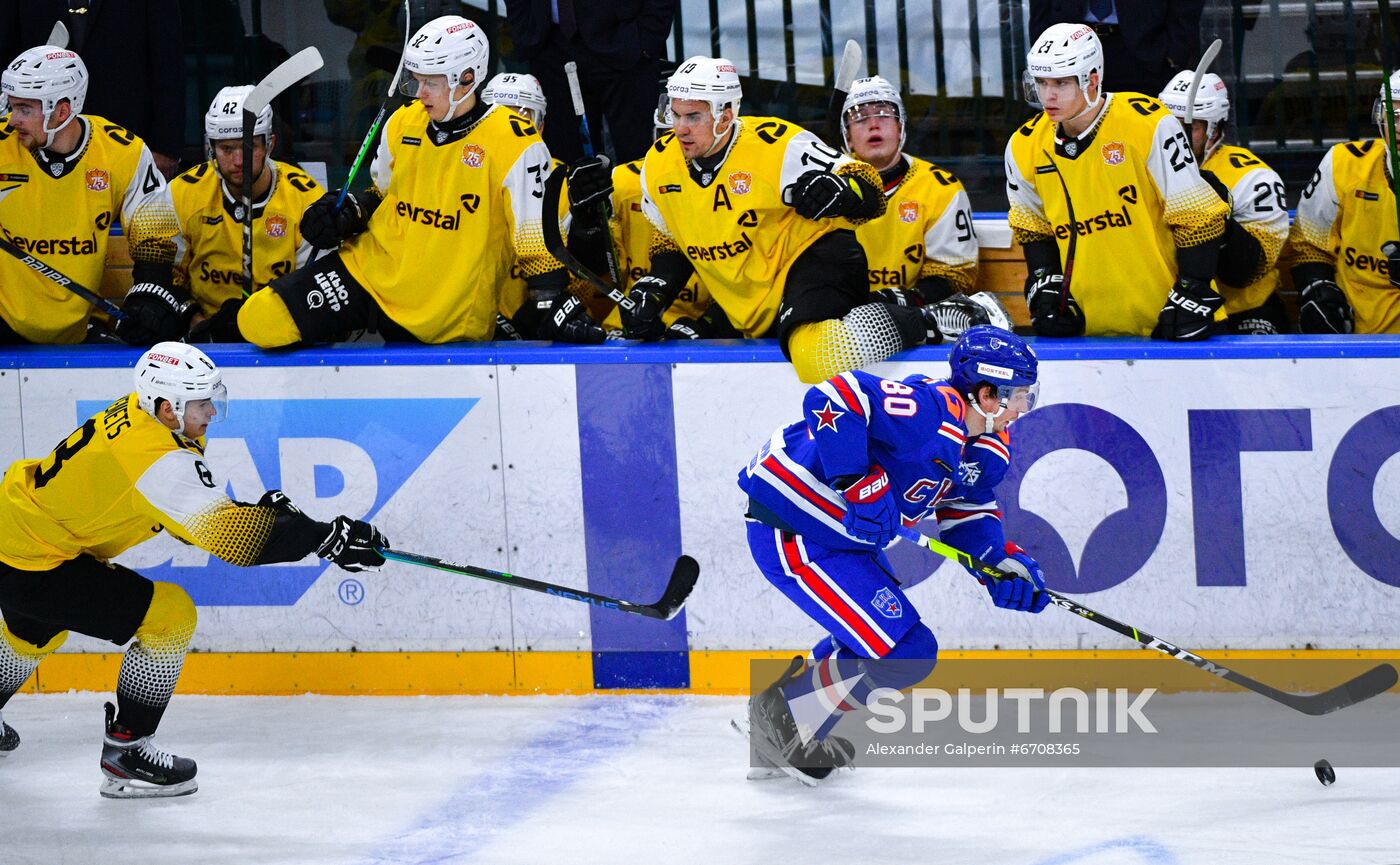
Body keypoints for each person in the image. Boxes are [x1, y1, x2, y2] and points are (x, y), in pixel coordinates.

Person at [0, 342, 388, 798]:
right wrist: (325, 537)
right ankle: (128, 750)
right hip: (34, 561)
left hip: (19, 535)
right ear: (168, 407)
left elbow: (184, 518)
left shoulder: (145, 416)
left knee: (37, 632)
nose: (211, 412)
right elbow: (233, 540)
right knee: (170, 615)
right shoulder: (158, 458)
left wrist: (275, 523)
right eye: (203, 403)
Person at [735, 325, 1050, 783]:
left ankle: (782, 722)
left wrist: (996, 560)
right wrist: (858, 481)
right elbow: (833, 396)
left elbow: (966, 511)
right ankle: (781, 717)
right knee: (907, 651)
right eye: (1019, 395)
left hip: (840, 543)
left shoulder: (985, 444)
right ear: (986, 393)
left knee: (884, 642)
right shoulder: (926, 412)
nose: (1025, 407)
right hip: (795, 531)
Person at [225, 15, 604, 347]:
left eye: (432, 83)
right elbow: (381, 192)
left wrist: (549, 299)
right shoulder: (405, 122)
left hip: (443, 304)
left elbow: (534, 240)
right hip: (372, 270)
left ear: (468, 79)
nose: (420, 93)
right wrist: (349, 210)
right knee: (259, 320)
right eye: (416, 80)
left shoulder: (516, 142)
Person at [628, 56, 945, 383]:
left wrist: (839, 188)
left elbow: (869, 188)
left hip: (816, 261)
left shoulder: (776, 143)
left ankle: (938, 318)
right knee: (683, 345)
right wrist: (657, 289)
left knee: (815, 357)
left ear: (724, 115)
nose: (680, 128)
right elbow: (671, 237)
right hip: (749, 297)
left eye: (693, 116)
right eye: (675, 114)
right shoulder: (658, 163)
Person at [1006, 23, 1229, 339]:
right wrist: (1045, 282)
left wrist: (1193, 289)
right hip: (1091, 329)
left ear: (1092, 79)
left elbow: (1199, 218)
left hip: (1173, 322)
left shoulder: (1147, 122)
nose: (1048, 95)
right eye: (1041, 83)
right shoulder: (1023, 145)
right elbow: (1033, 229)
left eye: (1061, 83)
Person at [0, 43, 189, 346]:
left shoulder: (121, 152)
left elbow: (156, 233)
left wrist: (151, 293)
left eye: (24, 109)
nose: (12, 120)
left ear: (62, 111)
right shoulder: (2, 145)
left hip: (79, 326)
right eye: (12, 106)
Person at [839, 74, 1012, 338]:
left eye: (884, 114)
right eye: (859, 117)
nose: (873, 124)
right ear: (848, 136)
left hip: (918, 326)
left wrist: (906, 300)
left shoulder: (940, 188)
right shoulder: (828, 187)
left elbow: (956, 273)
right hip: (838, 324)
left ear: (900, 127)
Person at [173, 85, 324, 341]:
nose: (238, 161)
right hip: (203, 337)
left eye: (248, 147)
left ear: (270, 144)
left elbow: (312, 287)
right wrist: (197, 323)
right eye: (227, 149)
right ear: (211, 149)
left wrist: (262, 321)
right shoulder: (182, 194)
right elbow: (168, 277)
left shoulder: (306, 197)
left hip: (282, 333)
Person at [1158, 71, 1290, 334]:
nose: (1176, 136)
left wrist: (1222, 219)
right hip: (1169, 306)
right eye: (1169, 124)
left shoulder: (1253, 178)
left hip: (1242, 311)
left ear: (1214, 129)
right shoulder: (1146, 166)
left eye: (1189, 127)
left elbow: (1247, 273)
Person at [0, 0, 187, 179]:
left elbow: (168, 64)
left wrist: (165, 147)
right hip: (37, 144)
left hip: (127, 139)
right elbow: (7, 51)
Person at [1287, 70, 1400, 334]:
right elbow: (1308, 244)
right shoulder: (1343, 164)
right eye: (1391, 116)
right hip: (1354, 346)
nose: (1398, 127)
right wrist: (1319, 289)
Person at [505, 0, 676, 165]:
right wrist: (522, 26)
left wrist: (646, 39)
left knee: (638, 158)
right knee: (565, 164)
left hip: (624, 42)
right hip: (549, 45)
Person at [1029, 0, 1203, 99]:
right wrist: (1043, 47)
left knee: (1144, 138)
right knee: (1080, 138)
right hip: (1071, 47)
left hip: (1145, 50)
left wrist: (1174, 52)